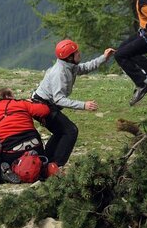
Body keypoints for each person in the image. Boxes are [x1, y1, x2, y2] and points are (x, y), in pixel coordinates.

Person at [32, 39, 115, 167]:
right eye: (76, 52)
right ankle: (56, 166)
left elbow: (85, 68)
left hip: (46, 104)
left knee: (60, 131)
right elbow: (59, 99)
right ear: (69, 57)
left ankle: (46, 161)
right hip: (43, 106)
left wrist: (104, 58)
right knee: (71, 131)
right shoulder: (59, 73)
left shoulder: (69, 66)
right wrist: (84, 105)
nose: (79, 53)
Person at [0, 87, 53, 182]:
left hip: (12, 150)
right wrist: (32, 102)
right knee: (38, 157)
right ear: (7, 96)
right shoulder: (21, 103)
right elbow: (44, 110)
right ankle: (41, 167)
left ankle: (6, 171)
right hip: (34, 145)